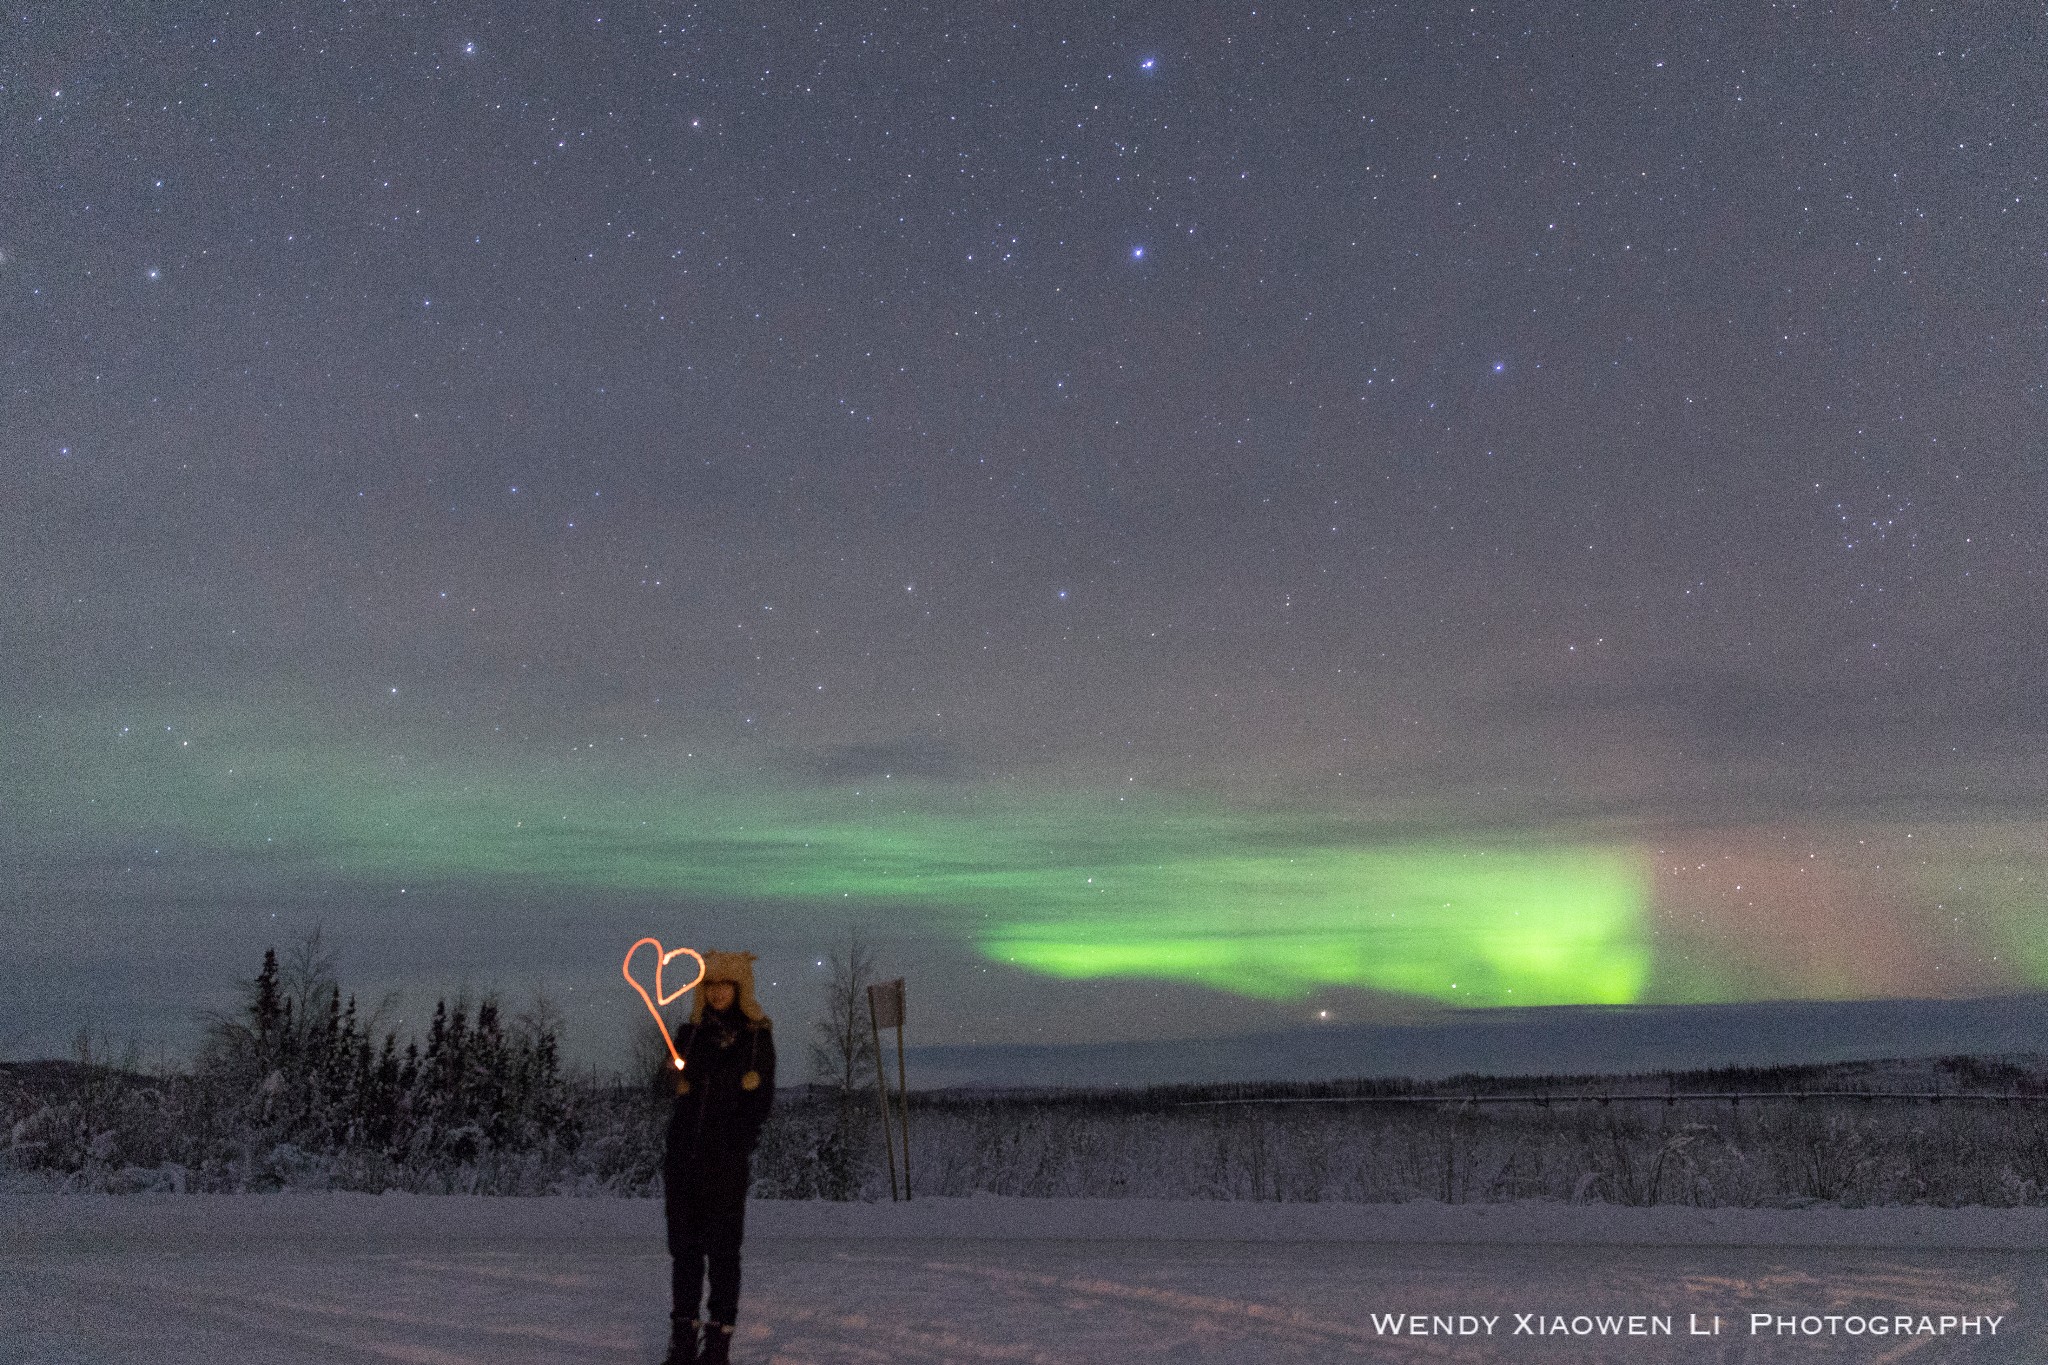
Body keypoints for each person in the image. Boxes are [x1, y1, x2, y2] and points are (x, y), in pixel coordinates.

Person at [663, 950, 776, 1365]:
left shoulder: (755, 1039)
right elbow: (663, 1085)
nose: (717, 992)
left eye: (724, 984)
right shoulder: (689, 1034)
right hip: (684, 1161)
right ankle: (682, 1345)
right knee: (685, 1252)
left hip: (725, 1165)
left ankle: (718, 1347)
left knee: (724, 1253)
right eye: (710, 985)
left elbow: (760, 1103)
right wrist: (671, 1077)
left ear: (739, 988)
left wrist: (736, 1145)